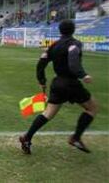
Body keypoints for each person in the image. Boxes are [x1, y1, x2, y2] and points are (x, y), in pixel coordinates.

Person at [19, 19, 98, 154]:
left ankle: (27, 137)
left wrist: (42, 80)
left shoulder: (54, 45)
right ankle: (76, 137)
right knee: (92, 108)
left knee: (48, 113)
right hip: (71, 83)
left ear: (60, 30)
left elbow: (41, 63)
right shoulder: (74, 44)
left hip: (57, 84)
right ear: (73, 30)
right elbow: (73, 62)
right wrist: (83, 75)